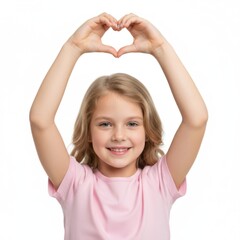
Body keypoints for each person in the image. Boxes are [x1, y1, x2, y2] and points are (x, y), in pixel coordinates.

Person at [29, 13, 208, 240]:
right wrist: (73, 47)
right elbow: (40, 120)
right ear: (89, 132)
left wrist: (160, 48)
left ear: (147, 131)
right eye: (105, 124)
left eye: (132, 124)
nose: (119, 135)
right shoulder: (74, 183)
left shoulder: (159, 183)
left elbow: (197, 119)